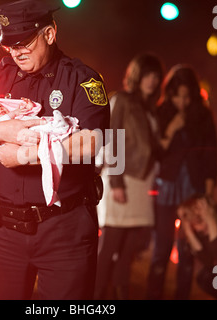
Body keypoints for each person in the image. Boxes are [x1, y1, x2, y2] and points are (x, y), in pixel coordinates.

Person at [0, 0, 110, 300]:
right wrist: (1, 131)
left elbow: (93, 142)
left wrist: (25, 154)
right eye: (10, 44)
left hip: (64, 232)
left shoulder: (81, 79)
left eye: (25, 42)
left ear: (49, 33)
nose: (17, 51)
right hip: (3, 232)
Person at [94, 53, 164, 299]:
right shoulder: (122, 100)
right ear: (137, 76)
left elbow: (150, 149)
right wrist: (116, 182)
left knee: (128, 252)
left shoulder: (150, 109)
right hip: (122, 180)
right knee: (109, 247)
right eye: (147, 75)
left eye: (156, 76)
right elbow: (112, 140)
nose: (152, 81)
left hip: (141, 183)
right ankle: (93, 299)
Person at [146, 64, 217, 299]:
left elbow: (211, 154)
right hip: (167, 186)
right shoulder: (162, 112)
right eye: (178, 96)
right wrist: (172, 128)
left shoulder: (203, 116)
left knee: (187, 250)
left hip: (193, 188)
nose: (183, 102)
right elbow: (155, 152)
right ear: (171, 93)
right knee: (162, 247)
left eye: (187, 96)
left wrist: (207, 194)